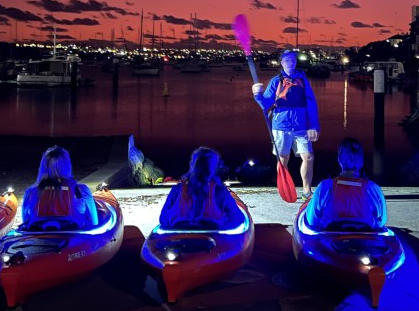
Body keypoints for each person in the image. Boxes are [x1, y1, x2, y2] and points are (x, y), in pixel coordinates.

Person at [252, 48, 320, 200]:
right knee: (283, 159)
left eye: (293, 60)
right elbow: (266, 103)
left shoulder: (303, 80)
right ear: (281, 63)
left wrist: (314, 125)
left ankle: (307, 191)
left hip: (301, 124)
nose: (291, 62)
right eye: (287, 60)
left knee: (308, 156)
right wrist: (257, 94)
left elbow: (311, 103)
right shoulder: (276, 81)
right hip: (281, 124)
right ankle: (284, 188)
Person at [305, 138, 386, 230]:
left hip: (331, 240)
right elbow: (382, 221)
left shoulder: (325, 186)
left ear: (339, 160)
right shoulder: (373, 189)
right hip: (364, 241)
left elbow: (311, 220)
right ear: (361, 161)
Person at [159, 146, 242, 229]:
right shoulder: (220, 191)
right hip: (212, 238)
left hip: (179, 239)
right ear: (213, 168)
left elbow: (163, 220)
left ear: (192, 165)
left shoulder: (177, 190)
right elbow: (238, 219)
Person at [21, 145, 99, 229]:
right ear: (67, 166)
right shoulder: (81, 190)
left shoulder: (31, 192)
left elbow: (25, 222)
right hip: (72, 237)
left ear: (43, 167)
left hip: (39, 236)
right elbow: (94, 222)